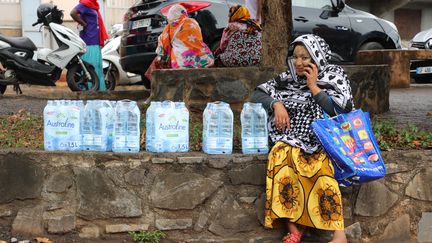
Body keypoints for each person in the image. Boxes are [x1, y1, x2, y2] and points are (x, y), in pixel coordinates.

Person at [251, 34, 353, 243]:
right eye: (296, 57)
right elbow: (258, 94)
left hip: (324, 139)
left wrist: (314, 86)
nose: (299, 62)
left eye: (305, 57)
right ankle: (294, 228)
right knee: (281, 158)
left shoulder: (334, 76)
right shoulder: (286, 79)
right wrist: (276, 104)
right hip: (291, 138)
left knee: (321, 167)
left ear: (318, 57)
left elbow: (341, 111)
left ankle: (339, 234)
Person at [154, 4, 214, 69]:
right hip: (201, 61)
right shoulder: (193, 22)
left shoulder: (170, 27)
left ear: (170, 15)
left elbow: (162, 48)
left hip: (180, 63)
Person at [70, 0, 108, 91]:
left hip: (95, 40)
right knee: (91, 66)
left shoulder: (93, 5)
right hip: (88, 41)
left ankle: (97, 89)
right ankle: (89, 89)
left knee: (97, 66)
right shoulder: (85, 3)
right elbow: (73, 13)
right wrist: (83, 24)